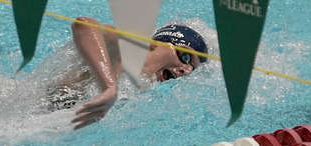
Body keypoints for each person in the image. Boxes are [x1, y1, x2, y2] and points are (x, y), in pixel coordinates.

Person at [49, 17, 208, 130]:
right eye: (185, 57)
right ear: (156, 44)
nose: (186, 70)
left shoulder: (141, 83)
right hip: (44, 110)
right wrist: (109, 86)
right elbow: (84, 25)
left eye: (192, 69)